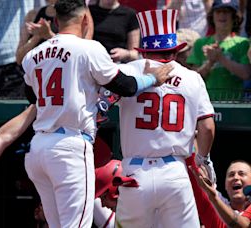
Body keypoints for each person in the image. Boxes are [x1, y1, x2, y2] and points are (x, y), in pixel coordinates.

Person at [21, 0, 174, 227]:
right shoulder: (89, 48)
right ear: (85, 19)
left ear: (55, 20)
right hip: (69, 146)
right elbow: (126, 86)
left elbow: (32, 97)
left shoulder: (33, 54)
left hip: (38, 149)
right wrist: (154, 78)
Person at [115, 9, 215, 227]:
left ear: (143, 51)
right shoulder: (192, 77)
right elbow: (207, 127)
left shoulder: (127, 71)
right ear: (174, 51)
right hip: (175, 172)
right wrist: (203, 159)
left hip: (135, 173)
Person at [187, 0, 251, 101]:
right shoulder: (200, 43)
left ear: (234, 17)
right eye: (218, 11)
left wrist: (221, 58)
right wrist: (210, 63)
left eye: (226, 12)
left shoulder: (243, 43)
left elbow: (246, 74)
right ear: (212, 16)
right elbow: (192, 80)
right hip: (205, 103)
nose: (222, 15)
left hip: (234, 104)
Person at [189, 160, 251, 228]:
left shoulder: (214, 198)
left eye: (241, 174)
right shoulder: (213, 207)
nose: (235, 177)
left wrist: (214, 197)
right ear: (225, 186)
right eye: (231, 175)